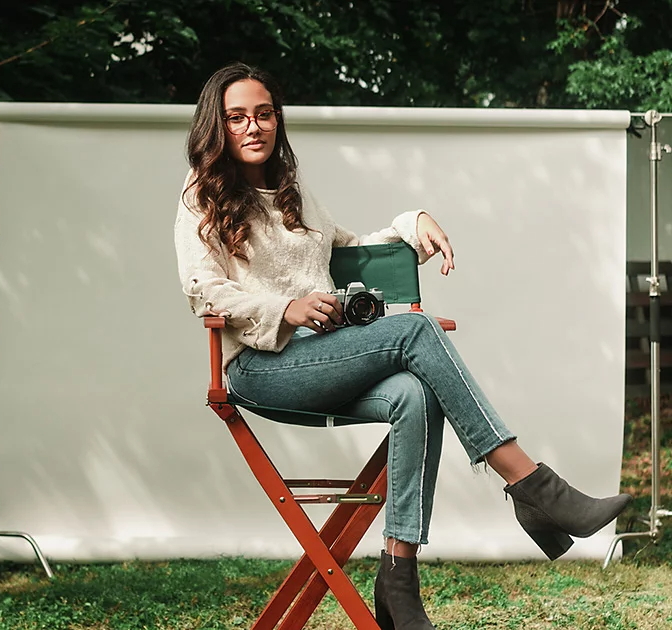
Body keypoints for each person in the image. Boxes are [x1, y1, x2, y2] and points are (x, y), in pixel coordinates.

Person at [174, 62, 632, 630]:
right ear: (216, 126)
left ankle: (397, 579)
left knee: (414, 393)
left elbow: (352, 248)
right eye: (237, 116)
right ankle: (530, 485)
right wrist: (281, 308)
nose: (253, 126)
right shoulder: (203, 196)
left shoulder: (293, 194)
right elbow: (203, 292)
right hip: (259, 369)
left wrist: (413, 221)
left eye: (264, 114)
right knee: (418, 329)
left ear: (277, 120)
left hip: (320, 359)